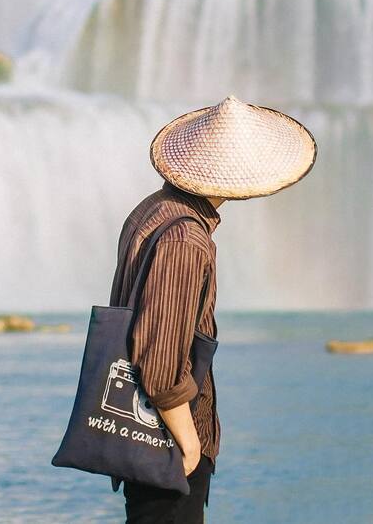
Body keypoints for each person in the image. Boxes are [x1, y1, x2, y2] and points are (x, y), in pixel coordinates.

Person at [108, 94, 317, 524]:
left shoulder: (153, 210)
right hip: (165, 438)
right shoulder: (185, 238)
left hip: (141, 429)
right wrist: (189, 443)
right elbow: (161, 357)